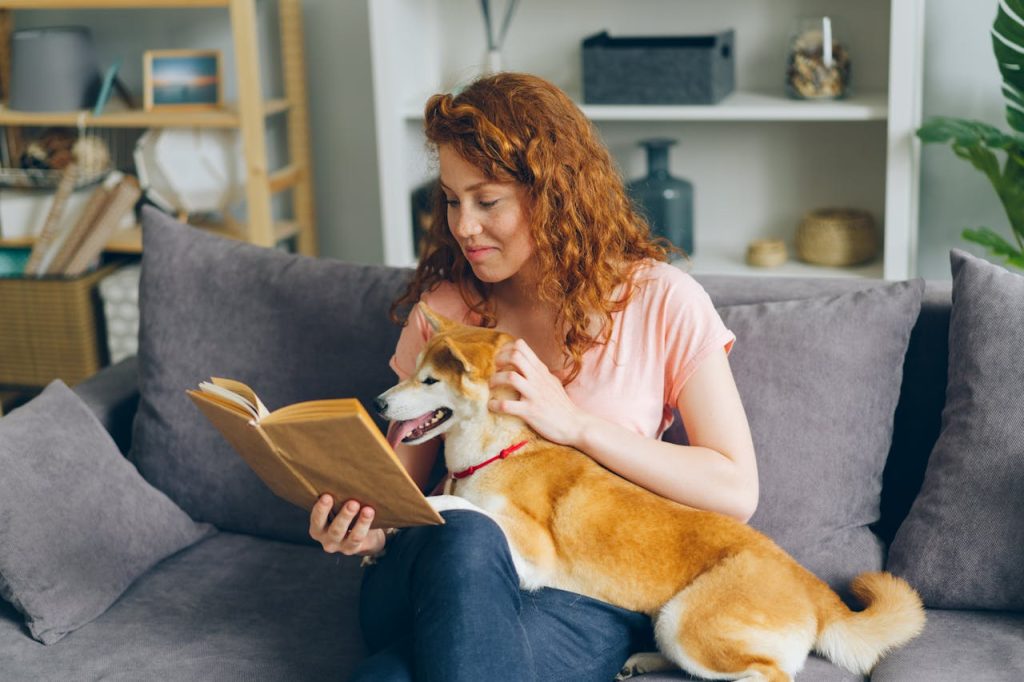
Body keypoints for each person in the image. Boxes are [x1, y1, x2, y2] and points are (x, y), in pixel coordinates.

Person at [309, 72, 758, 682]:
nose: (463, 226)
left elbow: (734, 489)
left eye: (486, 200)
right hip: (435, 572)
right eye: (449, 198)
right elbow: (401, 496)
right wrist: (363, 531)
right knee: (468, 532)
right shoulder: (443, 316)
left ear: (555, 193)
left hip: (582, 590)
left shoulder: (663, 301)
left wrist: (575, 425)